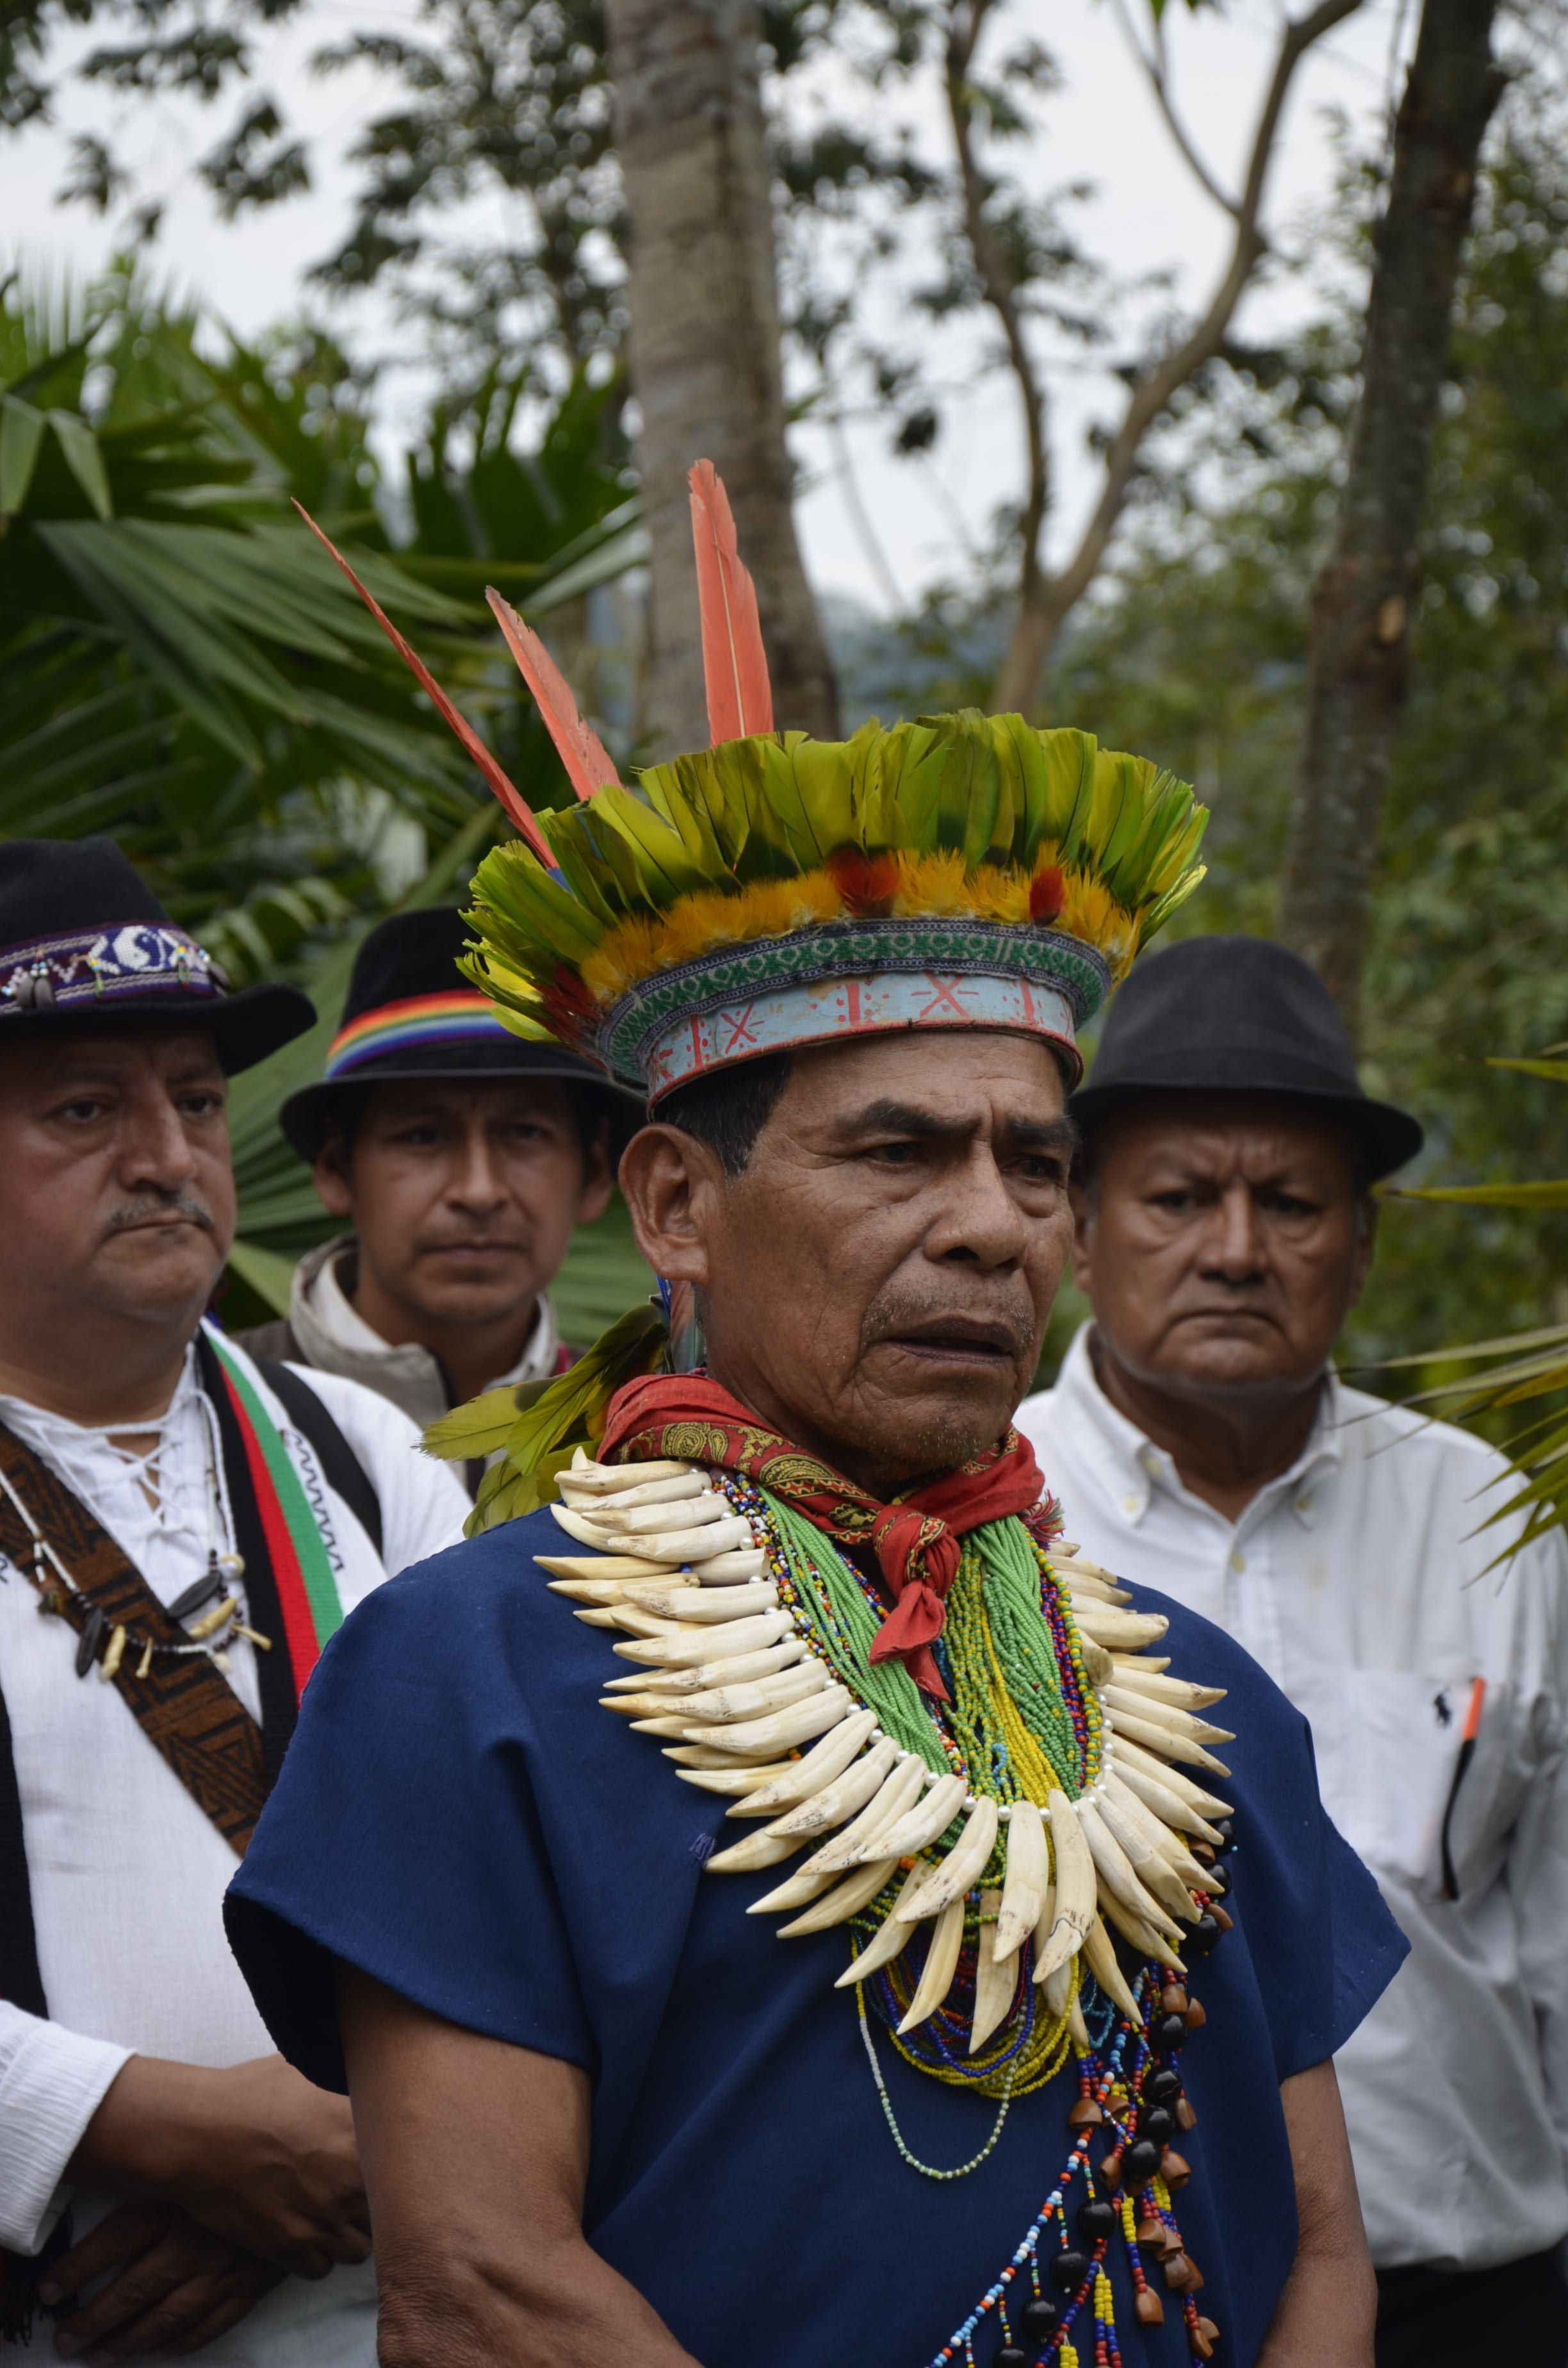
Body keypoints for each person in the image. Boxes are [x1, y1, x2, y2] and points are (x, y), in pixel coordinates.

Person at [223, 486, 1408, 2368]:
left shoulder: (1196, 1709)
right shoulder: (480, 1673)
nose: (991, 1219)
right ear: (679, 1205)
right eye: (895, 1149)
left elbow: (1329, 2246)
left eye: (1035, 1161)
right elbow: (477, 2287)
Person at [1015, 932, 1568, 2367]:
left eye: (1294, 1204)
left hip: (1480, 2302)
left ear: (1365, 1242)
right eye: (1182, 1198)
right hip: (1112, 2311)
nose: (1239, 1250)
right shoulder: (985, 1520)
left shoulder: (1490, 1518)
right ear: (1081, 1226)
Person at [0, 840, 470, 2365]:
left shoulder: (365, 1453)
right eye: (86, 1108)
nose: (169, 1157)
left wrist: (348, 2132)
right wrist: (129, 2128)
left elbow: (520, 1844)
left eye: (195, 1102)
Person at [234, 907, 639, 1442]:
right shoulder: (212, 1408)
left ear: (592, 1176)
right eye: (423, 1136)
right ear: (335, 1169)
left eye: (524, 1133)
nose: (479, 1191)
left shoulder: (641, 1431)